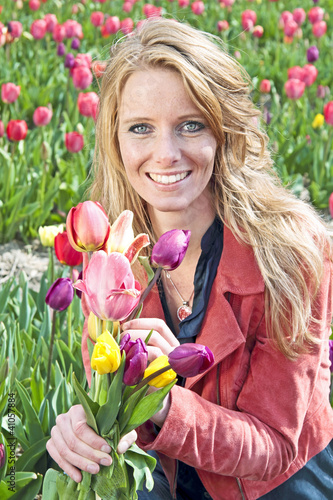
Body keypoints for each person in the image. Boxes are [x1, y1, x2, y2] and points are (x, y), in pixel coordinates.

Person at [46, 17, 333, 500]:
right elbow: (113, 403)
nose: (165, 154)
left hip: (275, 488)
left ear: (223, 132)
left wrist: (164, 405)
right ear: (115, 139)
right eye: (141, 128)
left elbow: (276, 448)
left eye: (190, 125)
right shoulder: (115, 257)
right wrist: (86, 425)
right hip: (169, 479)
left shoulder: (290, 253)